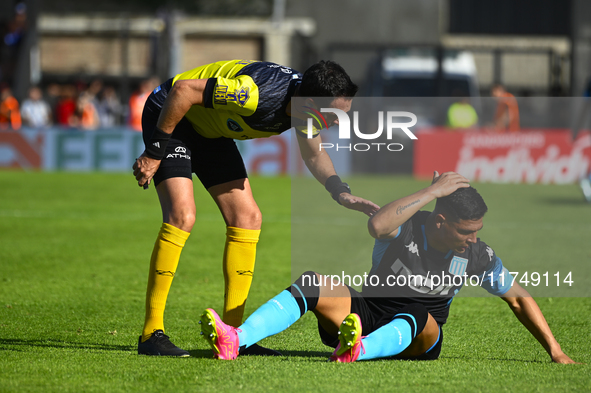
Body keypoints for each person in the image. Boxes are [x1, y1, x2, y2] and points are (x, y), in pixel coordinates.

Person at [132, 59, 379, 357]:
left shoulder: (305, 107)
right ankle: (151, 333)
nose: (340, 121)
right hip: (172, 116)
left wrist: (340, 192)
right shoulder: (254, 94)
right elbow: (183, 91)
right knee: (182, 216)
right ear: (311, 103)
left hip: (210, 130)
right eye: (335, 113)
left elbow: (313, 154)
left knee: (248, 218)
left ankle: (234, 337)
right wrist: (155, 151)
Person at [200, 171, 577, 364]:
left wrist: (555, 350)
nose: (474, 239)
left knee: (418, 311)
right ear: (441, 221)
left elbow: (518, 298)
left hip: (419, 335)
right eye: (467, 231)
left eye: (478, 231)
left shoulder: (477, 256)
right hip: (365, 314)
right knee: (314, 282)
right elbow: (376, 225)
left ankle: (357, 351)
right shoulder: (409, 226)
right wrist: (430, 192)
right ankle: (237, 339)